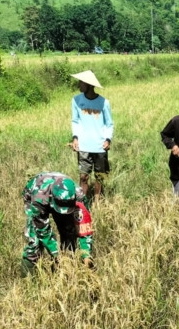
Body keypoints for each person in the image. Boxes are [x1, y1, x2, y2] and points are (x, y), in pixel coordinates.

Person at [21, 172, 93, 274]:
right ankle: (28, 277)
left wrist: (86, 254)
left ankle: (69, 268)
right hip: (34, 195)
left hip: (56, 199)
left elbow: (84, 228)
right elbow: (43, 230)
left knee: (69, 231)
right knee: (35, 242)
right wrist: (56, 255)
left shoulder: (79, 196)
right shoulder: (38, 197)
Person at [70, 70, 114, 201]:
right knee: (83, 176)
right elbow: (75, 121)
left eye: (81, 82)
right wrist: (75, 138)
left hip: (99, 146)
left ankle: (97, 201)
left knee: (99, 176)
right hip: (84, 145)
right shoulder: (76, 100)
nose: (79, 85)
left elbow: (109, 124)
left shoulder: (104, 102)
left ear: (89, 84)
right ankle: (82, 203)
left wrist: (108, 139)